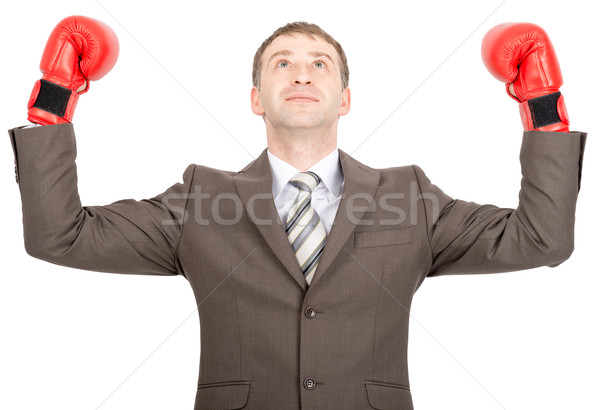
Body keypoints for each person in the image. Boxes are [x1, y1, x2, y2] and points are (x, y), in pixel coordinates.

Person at [8, 16, 586, 410]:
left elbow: (540, 240)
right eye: (282, 63)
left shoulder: (409, 196)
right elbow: (60, 236)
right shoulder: (198, 198)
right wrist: (55, 100)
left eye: (320, 64)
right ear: (257, 98)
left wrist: (541, 108)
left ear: (346, 98)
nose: (302, 73)